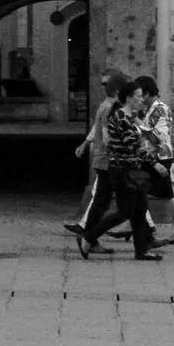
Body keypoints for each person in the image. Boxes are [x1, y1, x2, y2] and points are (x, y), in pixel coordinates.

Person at [79, 81, 159, 261]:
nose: (141, 99)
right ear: (128, 98)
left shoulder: (130, 117)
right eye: (138, 96)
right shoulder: (121, 117)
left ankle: (141, 250)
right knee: (125, 212)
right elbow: (133, 146)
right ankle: (89, 236)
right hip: (123, 170)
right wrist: (154, 164)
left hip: (133, 169)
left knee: (140, 209)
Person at [64, 67, 127, 240]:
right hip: (108, 159)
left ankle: (88, 233)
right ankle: (89, 236)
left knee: (106, 199)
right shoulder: (108, 108)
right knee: (107, 200)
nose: (103, 88)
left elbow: (99, 130)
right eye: (102, 84)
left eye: (106, 84)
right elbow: (105, 135)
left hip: (107, 159)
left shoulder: (111, 106)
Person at [133, 75, 174, 245]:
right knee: (139, 192)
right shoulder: (153, 108)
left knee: (165, 195)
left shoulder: (159, 109)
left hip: (160, 157)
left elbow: (155, 137)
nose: (140, 99)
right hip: (154, 157)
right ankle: (132, 227)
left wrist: (134, 119)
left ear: (148, 93)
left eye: (141, 95)